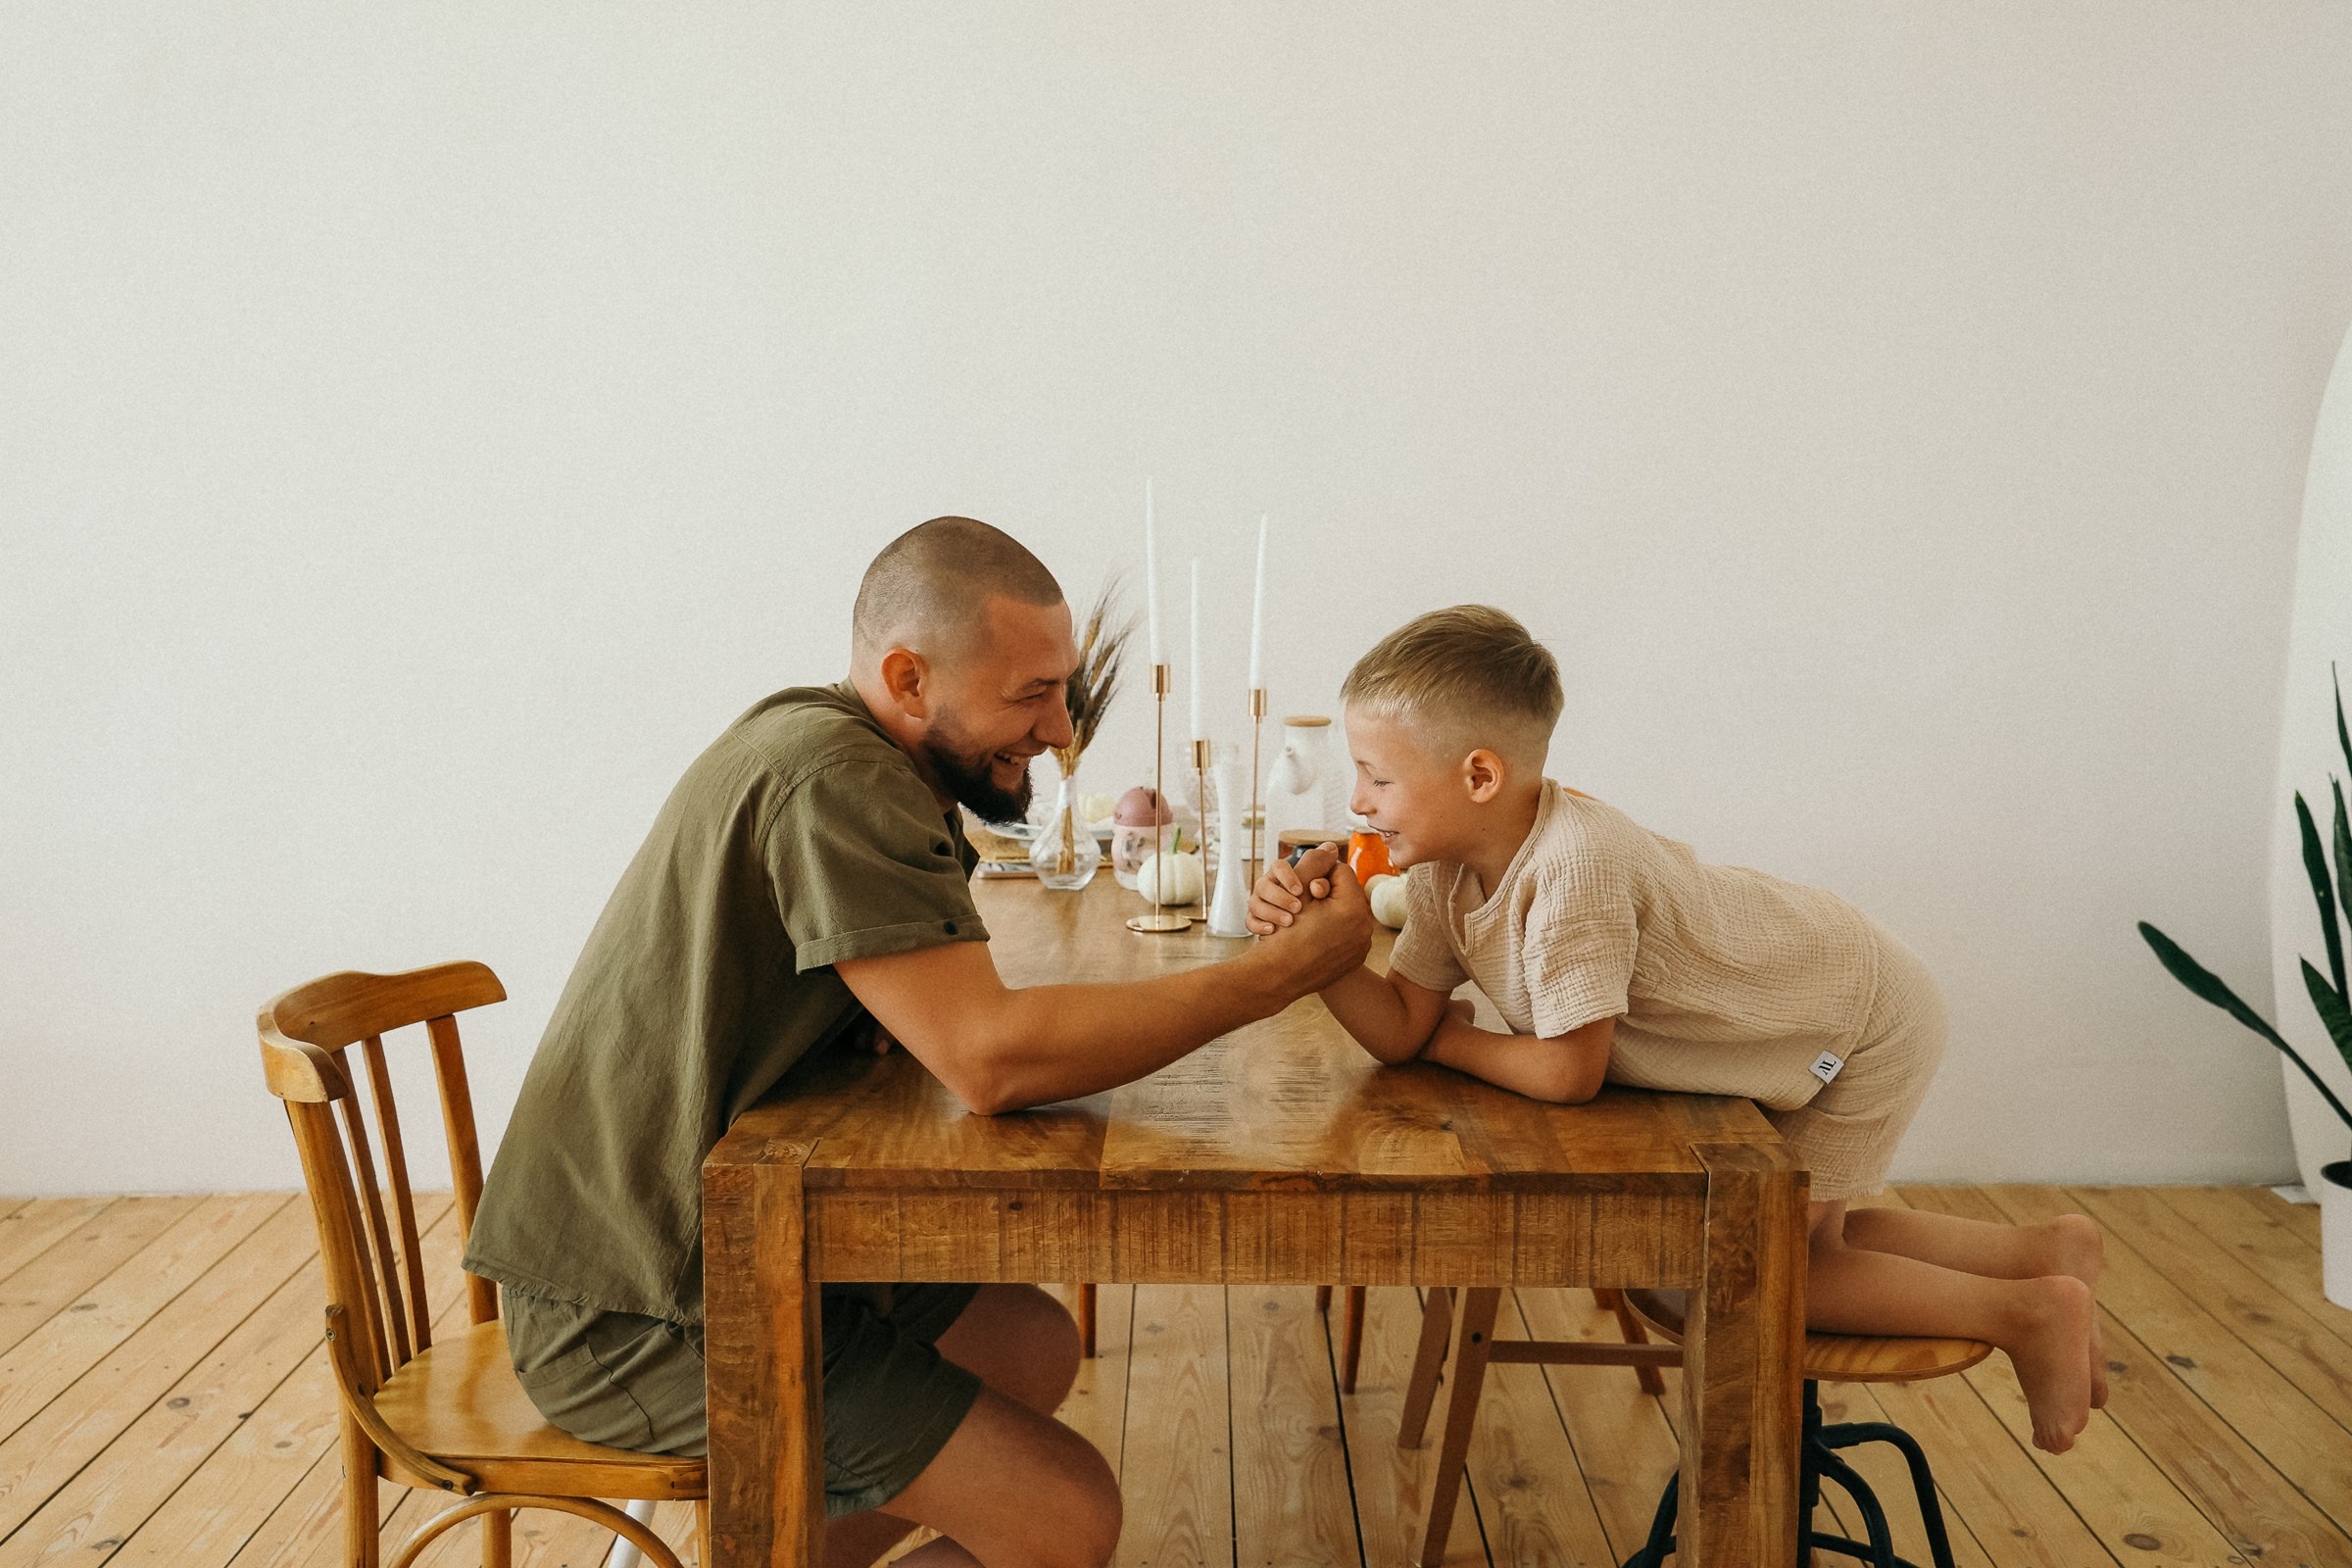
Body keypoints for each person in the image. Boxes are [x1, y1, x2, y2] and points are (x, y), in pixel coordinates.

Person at [464, 517, 1372, 1568]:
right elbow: (991, 1060)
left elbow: (937, 1019)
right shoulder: (837, 780)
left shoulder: (829, 742)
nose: (1062, 731)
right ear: (906, 676)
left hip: (694, 1256)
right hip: (641, 1306)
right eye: (1030, 695)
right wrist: (1274, 978)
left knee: (1031, 1342)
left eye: (1062, 690)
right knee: (1069, 1518)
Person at [1248, 604, 2107, 1456]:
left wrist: (1450, 1040)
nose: (1356, 801)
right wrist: (1319, 958)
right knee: (1808, 1232)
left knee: (1774, 1269)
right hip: (1803, 1015)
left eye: (1375, 777)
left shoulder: (1572, 867)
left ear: (1479, 777)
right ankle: (2039, 1251)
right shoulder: (1445, 873)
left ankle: (2028, 1312)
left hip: (1854, 1018)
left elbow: (1567, 1074)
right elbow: (1400, 1028)